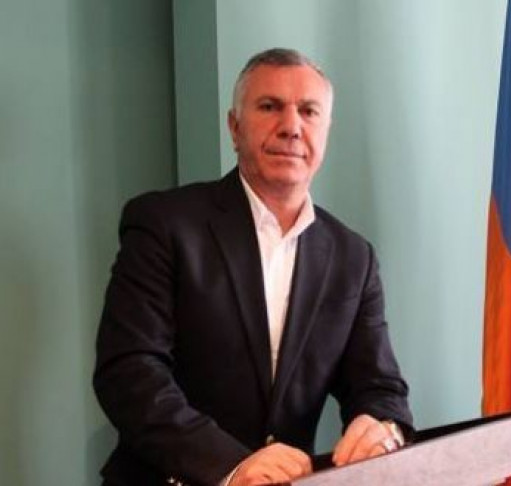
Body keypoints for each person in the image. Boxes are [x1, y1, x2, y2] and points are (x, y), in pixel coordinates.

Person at [93, 48, 413, 486]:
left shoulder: (353, 258)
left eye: (309, 111)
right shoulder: (164, 224)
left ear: (326, 130)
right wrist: (231, 465)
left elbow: (381, 389)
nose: (291, 126)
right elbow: (129, 372)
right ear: (234, 127)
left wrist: (383, 430)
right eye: (269, 107)